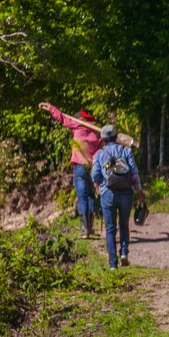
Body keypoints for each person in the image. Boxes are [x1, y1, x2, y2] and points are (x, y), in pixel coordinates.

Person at [39, 102, 102, 239]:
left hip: (80, 166)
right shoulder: (97, 133)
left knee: (82, 197)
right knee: (91, 196)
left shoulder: (78, 126)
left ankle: (85, 230)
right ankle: (89, 228)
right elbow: (100, 150)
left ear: (82, 119)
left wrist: (50, 107)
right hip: (92, 168)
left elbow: (61, 117)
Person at [90, 125, 144, 270]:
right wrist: (139, 191)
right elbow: (133, 173)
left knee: (110, 229)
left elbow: (95, 176)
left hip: (108, 193)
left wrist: (98, 189)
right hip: (126, 193)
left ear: (102, 140)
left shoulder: (99, 154)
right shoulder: (126, 151)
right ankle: (124, 252)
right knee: (124, 224)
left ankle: (113, 264)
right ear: (116, 137)